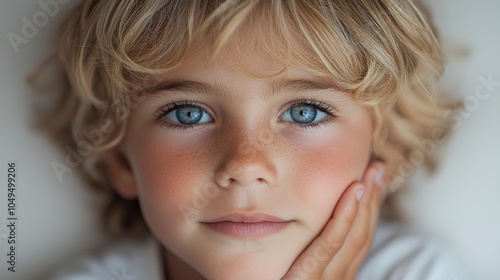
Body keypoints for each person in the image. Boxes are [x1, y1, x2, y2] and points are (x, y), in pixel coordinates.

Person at [46, 0, 469, 279]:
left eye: (305, 112)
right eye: (188, 113)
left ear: (386, 148)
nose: (246, 165)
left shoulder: (419, 271)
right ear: (120, 160)